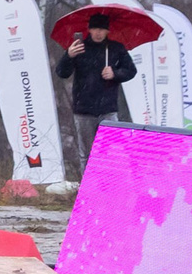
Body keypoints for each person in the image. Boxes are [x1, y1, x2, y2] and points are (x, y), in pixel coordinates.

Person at [54, 10, 140, 167]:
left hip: (108, 109)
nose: (98, 33)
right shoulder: (79, 48)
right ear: (89, 29)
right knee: (86, 153)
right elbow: (62, 73)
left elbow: (131, 71)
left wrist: (115, 73)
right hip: (84, 109)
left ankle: (109, 186)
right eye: (95, 29)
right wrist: (69, 56)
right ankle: (87, 187)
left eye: (102, 29)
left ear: (107, 31)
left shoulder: (116, 49)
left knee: (111, 152)